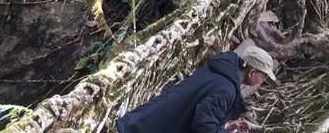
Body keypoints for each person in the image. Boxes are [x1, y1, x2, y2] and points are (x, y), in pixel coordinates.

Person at [115, 46, 277, 133]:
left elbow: (202, 112)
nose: (262, 81)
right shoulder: (226, 89)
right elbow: (203, 126)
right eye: (264, 76)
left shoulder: (218, 71)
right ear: (252, 72)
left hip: (145, 121)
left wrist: (225, 125)